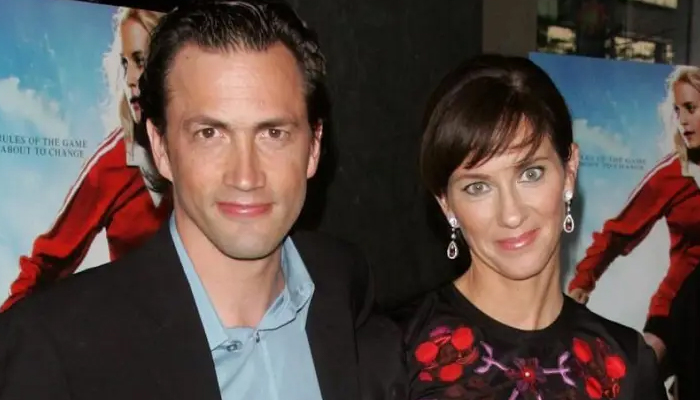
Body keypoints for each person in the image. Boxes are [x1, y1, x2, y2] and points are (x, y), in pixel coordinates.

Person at [0, 2, 401, 399]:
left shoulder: (342, 283)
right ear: (160, 147)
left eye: (273, 133)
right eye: (210, 134)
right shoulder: (53, 348)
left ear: (313, 147)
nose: (245, 176)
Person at [401, 54, 666, 399]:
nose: (511, 214)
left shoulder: (627, 363)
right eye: (478, 187)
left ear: (569, 171)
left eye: (530, 173)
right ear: (446, 203)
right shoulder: (395, 349)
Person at [1, 7, 170, 312]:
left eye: (141, 61)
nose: (131, 78)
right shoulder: (112, 164)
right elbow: (44, 265)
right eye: (125, 64)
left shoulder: (206, 147)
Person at [568, 65, 700, 364]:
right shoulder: (670, 175)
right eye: (677, 111)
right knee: (641, 373)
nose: (683, 121)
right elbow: (617, 233)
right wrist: (583, 281)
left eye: (691, 108)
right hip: (677, 308)